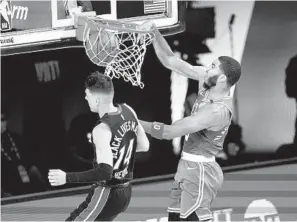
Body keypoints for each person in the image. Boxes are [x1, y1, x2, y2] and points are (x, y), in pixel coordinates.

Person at [139, 21, 241, 221]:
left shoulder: (217, 111)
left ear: (222, 79)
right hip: (187, 164)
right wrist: (154, 32)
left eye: (213, 67)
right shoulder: (207, 79)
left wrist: (134, 121)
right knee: (175, 218)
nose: (207, 68)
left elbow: (169, 132)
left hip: (201, 171)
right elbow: (170, 60)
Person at [48, 71, 150, 221]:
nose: (85, 98)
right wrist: (118, 154)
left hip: (108, 193)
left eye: (87, 95)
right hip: (126, 192)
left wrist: (66, 177)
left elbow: (104, 173)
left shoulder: (101, 129)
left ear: (96, 99)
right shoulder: (129, 111)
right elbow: (144, 145)